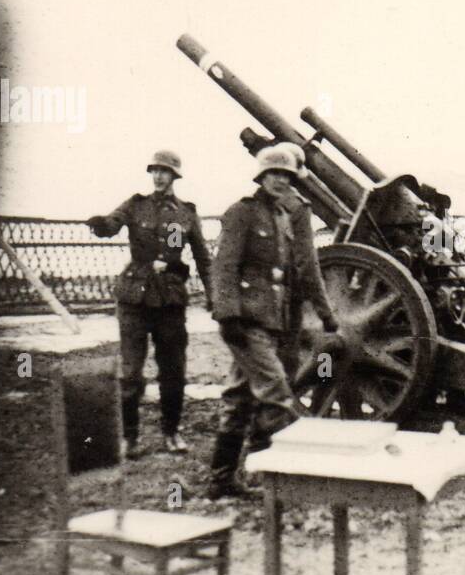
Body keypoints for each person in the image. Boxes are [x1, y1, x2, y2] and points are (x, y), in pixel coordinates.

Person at [207, 144, 339, 500]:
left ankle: (221, 481)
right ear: (261, 177)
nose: (280, 180)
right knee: (277, 392)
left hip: (271, 320)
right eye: (273, 174)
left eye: (286, 175)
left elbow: (305, 270)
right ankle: (271, 479)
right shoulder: (241, 213)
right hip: (246, 321)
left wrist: (326, 314)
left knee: (238, 398)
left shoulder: (283, 217)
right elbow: (224, 267)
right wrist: (228, 314)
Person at [87, 150, 212, 456]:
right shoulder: (135, 205)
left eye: (164, 172)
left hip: (169, 299)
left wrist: (215, 296)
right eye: (154, 171)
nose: (158, 176)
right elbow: (113, 222)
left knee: (173, 370)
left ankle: (171, 433)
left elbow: (203, 259)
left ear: (174, 177)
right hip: (134, 298)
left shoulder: (186, 214)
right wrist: (101, 225)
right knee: (130, 372)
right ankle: (130, 437)